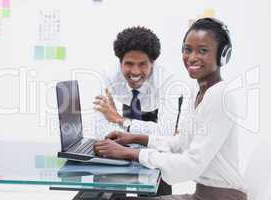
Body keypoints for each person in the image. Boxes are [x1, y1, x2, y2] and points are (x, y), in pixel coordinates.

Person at [94, 18, 247, 200]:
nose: (192, 57)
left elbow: (190, 163)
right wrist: (133, 138)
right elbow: (178, 144)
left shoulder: (220, 96)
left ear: (223, 55)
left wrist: (129, 152)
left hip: (221, 198)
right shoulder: (198, 92)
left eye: (203, 51)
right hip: (201, 195)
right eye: (187, 50)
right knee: (101, 196)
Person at [93, 26, 175, 195]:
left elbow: (165, 133)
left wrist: (120, 120)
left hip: (155, 112)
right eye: (129, 64)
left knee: (158, 167)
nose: (135, 72)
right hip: (129, 105)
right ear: (120, 62)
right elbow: (99, 129)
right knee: (111, 158)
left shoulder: (168, 81)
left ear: (153, 63)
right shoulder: (107, 75)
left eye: (143, 64)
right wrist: (122, 146)